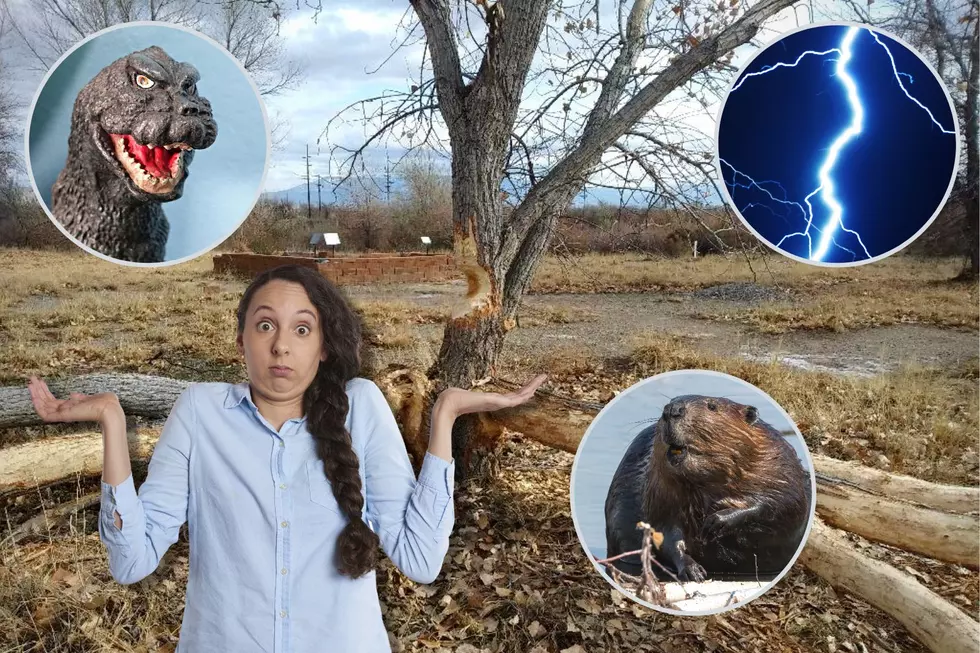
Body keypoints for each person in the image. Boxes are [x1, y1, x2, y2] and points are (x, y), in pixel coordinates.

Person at [27, 264, 547, 653]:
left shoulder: (361, 405)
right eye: (264, 326)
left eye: (302, 329)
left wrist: (445, 417)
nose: (281, 347)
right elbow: (131, 561)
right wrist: (113, 423)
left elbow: (420, 560)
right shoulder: (200, 413)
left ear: (323, 346)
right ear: (240, 343)